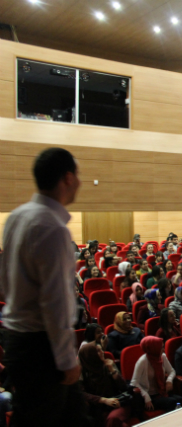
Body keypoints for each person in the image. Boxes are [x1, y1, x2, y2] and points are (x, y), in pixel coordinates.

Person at [0, 148, 88, 425]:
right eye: (78, 175)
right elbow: (56, 302)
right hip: (42, 349)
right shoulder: (52, 228)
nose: (80, 182)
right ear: (67, 178)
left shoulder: (16, 216)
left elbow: (4, 284)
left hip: (17, 340)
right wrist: (66, 359)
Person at [78, 342, 133, 427]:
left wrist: (112, 371)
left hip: (118, 403)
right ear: (90, 355)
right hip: (98, 408)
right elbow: (81, 394)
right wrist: (103, 400)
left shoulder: (108, 364)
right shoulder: (83, 373)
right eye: (98, 351)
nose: (102, 352)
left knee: (112, 419)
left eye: (101, 349)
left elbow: (123, 387)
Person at [130, 336, 182, 412]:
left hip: (162, 391)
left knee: (180, 400)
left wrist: (169, 380)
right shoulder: (142, 361)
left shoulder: (162, 356)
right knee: (172, 402)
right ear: (153, 349)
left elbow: (172, 371)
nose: (163, 350)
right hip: (150, 396)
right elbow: (134, 383)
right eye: (161, 348)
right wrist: (146, 396)